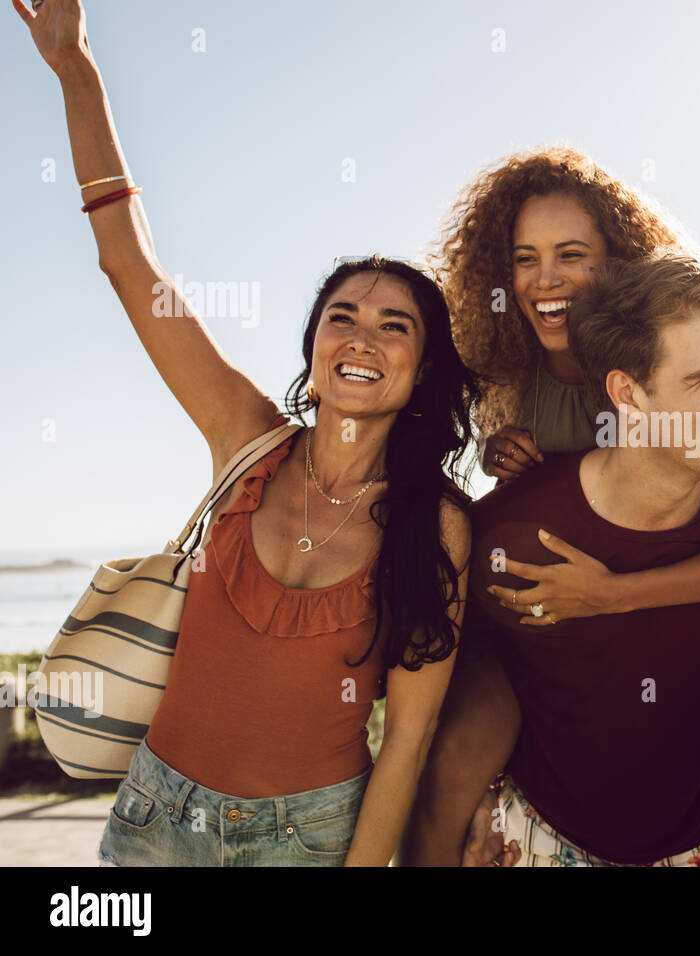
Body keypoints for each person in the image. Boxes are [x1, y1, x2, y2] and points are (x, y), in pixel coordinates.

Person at [14, 0, 477, 866]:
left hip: (306, 838)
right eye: (342, 316)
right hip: (155, 818)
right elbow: (128, 263)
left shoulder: (438, 524)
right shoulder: (247, 439)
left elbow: (408, 743)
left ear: (423, 369)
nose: (363, 337)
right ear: (314, 344)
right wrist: (78, 71)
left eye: (395, 325)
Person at [401, 148, 700, 865]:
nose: (546, 278)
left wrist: (616, 595)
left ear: (617, 268)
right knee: (460, 747)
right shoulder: (517, 381)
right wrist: (498, 454)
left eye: (570, 254)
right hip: (554, 648)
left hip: (670, 631)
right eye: (525, 258)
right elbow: (502, 500)